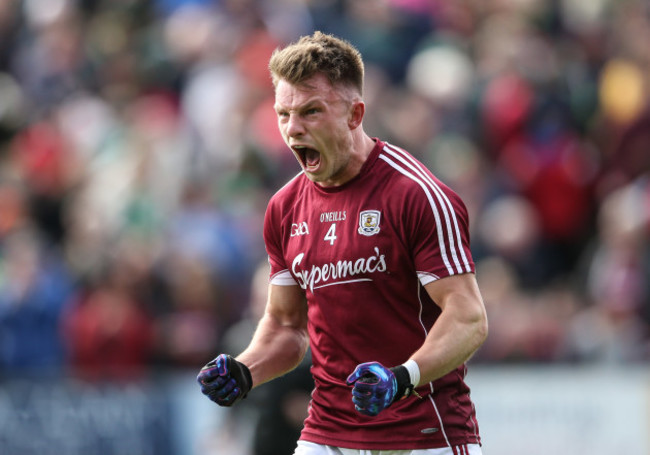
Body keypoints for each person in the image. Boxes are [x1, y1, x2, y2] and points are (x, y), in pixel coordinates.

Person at [197, 31, 489, 455]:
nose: (293, 129)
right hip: (327, 434)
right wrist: (245, 369)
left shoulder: (415, 194)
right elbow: (285, 326)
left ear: (355, 114)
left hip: (423, 435)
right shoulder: (284, 208)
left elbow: (468, 319)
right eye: (284, 115)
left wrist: (403, 376)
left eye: (311, 112)